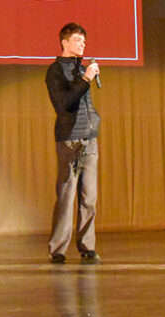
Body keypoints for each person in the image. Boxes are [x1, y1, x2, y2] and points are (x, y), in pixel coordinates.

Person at [44, 22, 101, 264]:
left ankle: (87, 246)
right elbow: (64, 103)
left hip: (90, 138)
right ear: (65, 42)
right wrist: (86, 79)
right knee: (67, 195)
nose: (82, 44)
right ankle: (58, 248)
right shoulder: (56, 70)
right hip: (70, 139)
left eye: (84, 41)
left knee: (89, 197)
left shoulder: (81, 69)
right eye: (78, 40)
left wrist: (86, 77)